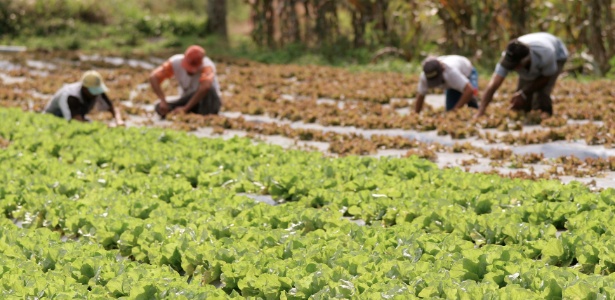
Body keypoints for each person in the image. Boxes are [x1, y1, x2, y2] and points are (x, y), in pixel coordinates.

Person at [476, 32, 568, 118]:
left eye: (516, 66)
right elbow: (493, 84)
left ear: (526, 60)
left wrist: (524, 93)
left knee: (541, 94)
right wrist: (481, 110)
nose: (514, 69)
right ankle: (527, 115)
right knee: (521, 100)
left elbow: (546, 78)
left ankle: (545, 116)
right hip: (536, 51)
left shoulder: (546, 53)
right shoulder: (509, 56)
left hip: (557, 55)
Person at [150, 45, 222, 118]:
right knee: (159, 106)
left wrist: (186, 108)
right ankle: (186, 113)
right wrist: (163, 100)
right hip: (187, 98)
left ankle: (203, 115)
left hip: (206, 101)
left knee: (210, 90)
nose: (190, 71)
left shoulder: (207, 66)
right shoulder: (175, 62)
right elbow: (154, 77)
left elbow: (205, 87)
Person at [43, 70, 124, 126]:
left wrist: (119, 120)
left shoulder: (96, 92)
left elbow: (112, 108)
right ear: (85, 88)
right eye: (94, 91)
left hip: (76, 117)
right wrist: (106, 126)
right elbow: (76, 122)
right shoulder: (71, 96)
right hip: (55, 118)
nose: (96, 95)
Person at [414, 55, 479, 113]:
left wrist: (454, 111)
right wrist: (416, 115)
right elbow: (421, 95)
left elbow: (469, 90)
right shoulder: (425, 76)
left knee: (472, 101)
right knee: (450, 109)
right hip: (452, 84)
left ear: (442, 70)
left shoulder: (451, 73)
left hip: (468, 73)